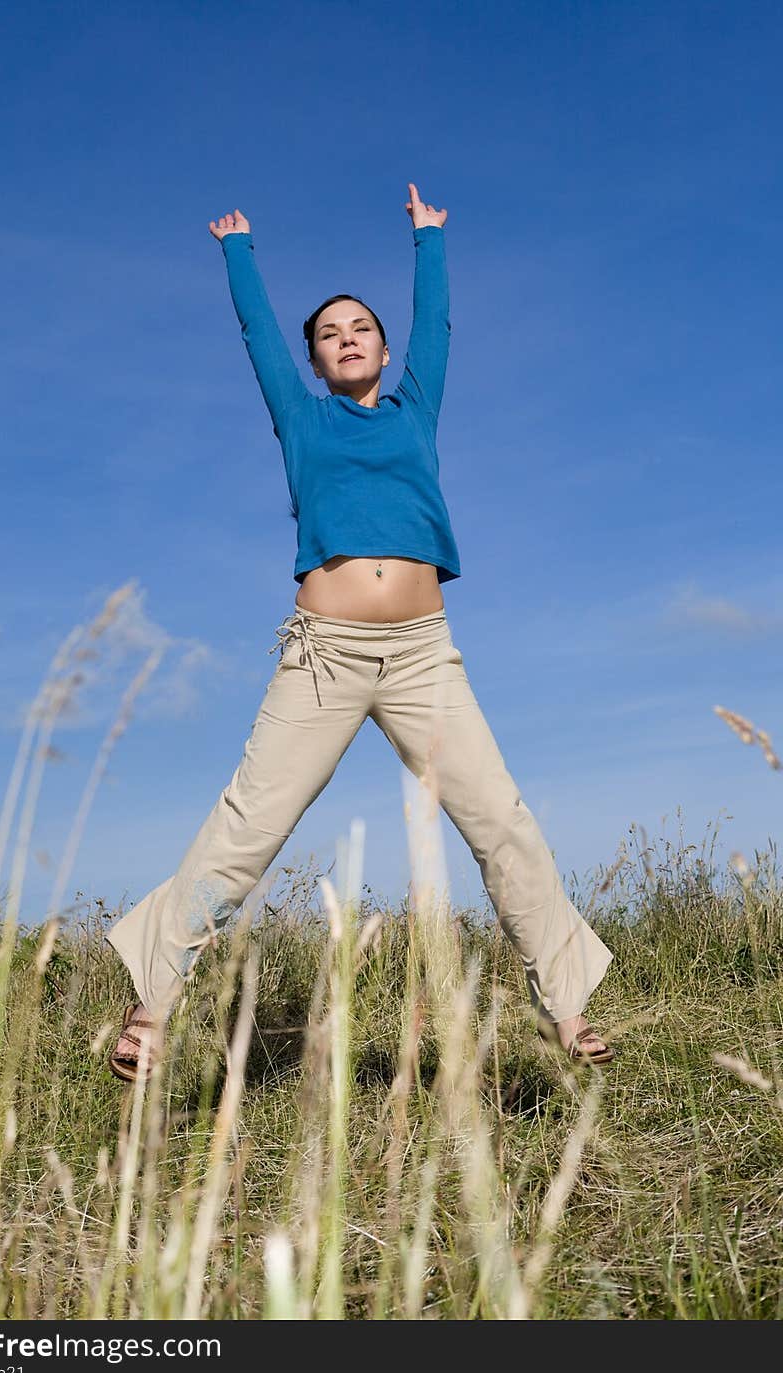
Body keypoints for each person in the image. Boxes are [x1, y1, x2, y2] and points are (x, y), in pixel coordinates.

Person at [107, 183, 614, 1080]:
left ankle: (569, 1009)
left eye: (360, 328)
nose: (347, 337)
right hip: (324, 656)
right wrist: (239, 252)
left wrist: (429, 241)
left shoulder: (416, 409)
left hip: (423, 655)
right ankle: (152, 1004)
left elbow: (439, 330)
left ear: (382, 349)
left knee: (501, 820)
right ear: (314, 359)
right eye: (329, 333)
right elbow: (260, 338)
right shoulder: (303, 419)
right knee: (251, 823)